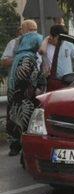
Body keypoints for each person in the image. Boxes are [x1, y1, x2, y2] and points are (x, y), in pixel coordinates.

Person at [6, 20, 45, 156]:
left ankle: (17, 143)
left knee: (14, 111)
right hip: (27, 88)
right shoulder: (35, 43)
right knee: (27, 112)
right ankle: (22, 145)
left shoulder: (20, 51)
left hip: (16, 88)